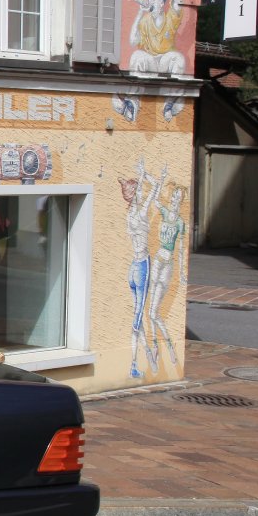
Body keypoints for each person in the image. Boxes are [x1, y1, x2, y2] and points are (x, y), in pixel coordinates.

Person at [120, 160, 163, 378]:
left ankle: (143, 358)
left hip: (132, 268)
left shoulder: (129, 215)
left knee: (137, 313)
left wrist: (142, 175)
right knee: (137, 318)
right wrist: (145, 174)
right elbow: (156, 189)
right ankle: (136, 363)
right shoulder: (141, 212)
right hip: (142, 265)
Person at [145, 180, 186, 372]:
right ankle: (159, 347)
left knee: (154, 312)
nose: (176, 200)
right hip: (158, 260)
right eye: (175, 196)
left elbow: (181, 249)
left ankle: (166, 346)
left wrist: (182, 272)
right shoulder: (164, 212)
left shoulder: (180, 222)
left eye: (180, 198)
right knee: (151, 312)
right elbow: (154, 201)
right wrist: (156, 182)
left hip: (167, 264)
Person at [127, 0, 186, 77]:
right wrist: (140, 13)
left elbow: (178, 3)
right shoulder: (145, 21)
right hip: (151, 61)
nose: (152, 0)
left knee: (179, 58)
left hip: (165, 60)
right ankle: (138, 88)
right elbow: (133, 41)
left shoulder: (170, 18)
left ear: (162, 2)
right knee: (136, 56)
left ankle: (173, 88)